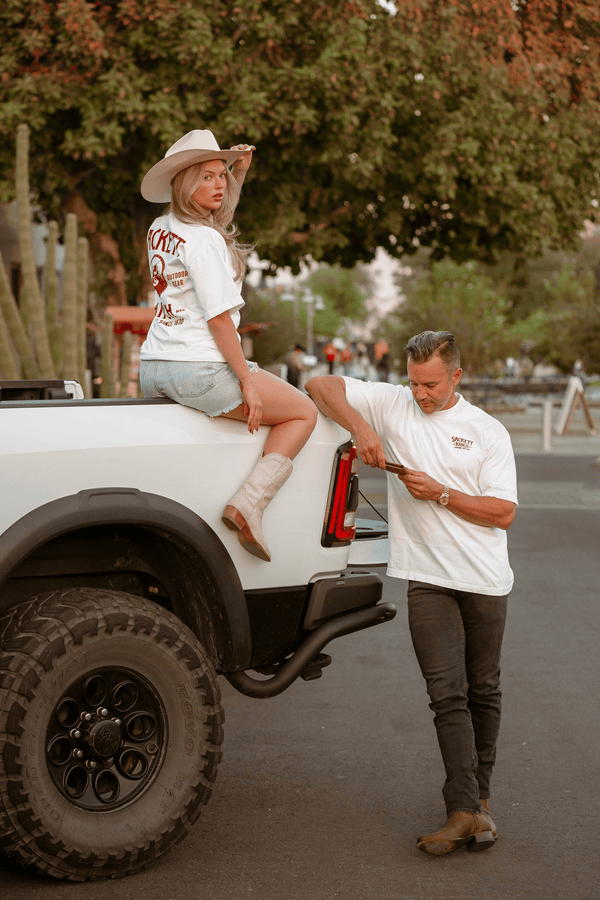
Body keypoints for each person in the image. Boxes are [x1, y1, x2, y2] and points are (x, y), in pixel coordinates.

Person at [306, 330, 517, 856]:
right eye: (414, 382)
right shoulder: (393, 403)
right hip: (427, 578)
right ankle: (462, 810)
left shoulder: (487, 431)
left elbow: (502, 512)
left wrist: (442, 494)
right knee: (447, 693)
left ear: (456, 377)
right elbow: (319, 384)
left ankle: (479, 804)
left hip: (484, 578)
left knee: (483, 690)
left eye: (431, 385)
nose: (420, 394)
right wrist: (361, 428)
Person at [139, 129, 317, 562]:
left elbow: (209, 225)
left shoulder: (160, 228)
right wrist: (247, 381)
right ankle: (249, 504)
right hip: (199, 368)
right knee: (303, 412)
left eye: (222, 176)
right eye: (207, 177)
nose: (219, 185)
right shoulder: (205, 241)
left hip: (154, 365)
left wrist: (238, 174)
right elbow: (219, 320)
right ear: (185, 183)